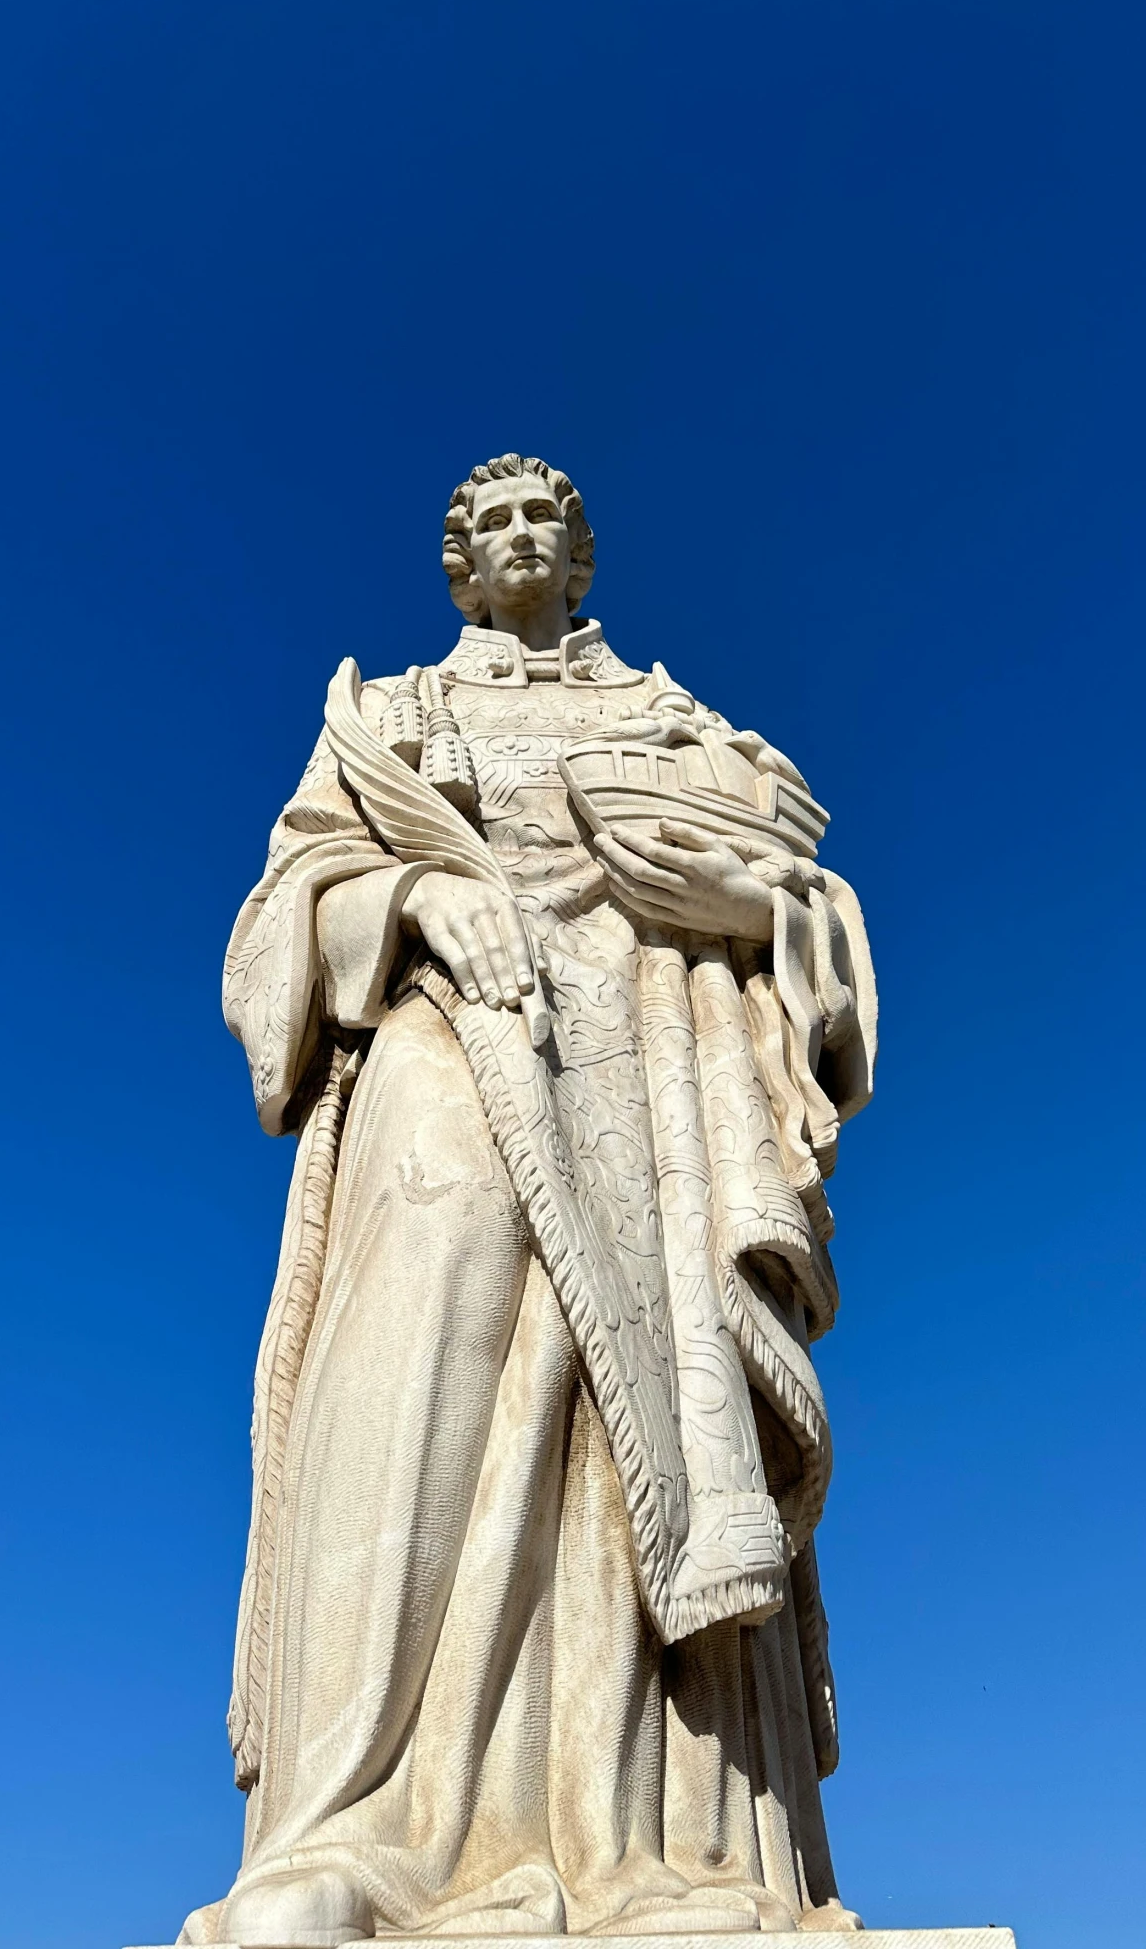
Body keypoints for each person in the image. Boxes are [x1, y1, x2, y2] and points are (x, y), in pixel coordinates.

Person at [183, 455, 877, 1945]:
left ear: (579, 557)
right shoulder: (389, 721)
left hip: (655, 1069)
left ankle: (664, 1855)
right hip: (448, 1031)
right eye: (487, 521)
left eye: (541, 521)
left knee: (647, 1410)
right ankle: (355, 1838)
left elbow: (808, 898)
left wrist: (750, 910)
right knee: (419, 1337)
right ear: (456, 564)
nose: (514, 538)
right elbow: (273, 929)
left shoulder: (682, 725)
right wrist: (416, 895)